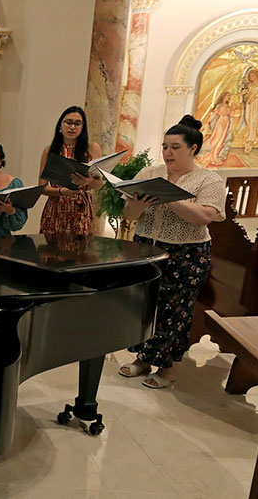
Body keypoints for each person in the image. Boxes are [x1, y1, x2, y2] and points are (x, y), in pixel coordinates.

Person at [119, 115, 226, 389]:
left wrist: (170, 197)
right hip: (145, 248)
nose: (168, 152)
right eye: (165, 146)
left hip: (187, 253)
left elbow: (204, 216)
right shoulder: (149, 174)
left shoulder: (209, 179)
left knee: (174, 311)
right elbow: (129, 214)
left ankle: (168, 369)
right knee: (144, 306)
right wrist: (138, 206)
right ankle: (143, 359)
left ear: (192, 149)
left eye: (175, 147)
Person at [38, 106, 103, 235]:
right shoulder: (50, 150)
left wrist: (88, 181)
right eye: (68, 122)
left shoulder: (92, 148)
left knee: (79, 246)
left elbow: (99, 184)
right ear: (60, 125)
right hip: (56, 207)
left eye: (77, 123)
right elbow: (41, 187)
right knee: (51, 246)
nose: (72, 127)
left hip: (81, 208)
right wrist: (62, 191)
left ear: (83, 127)